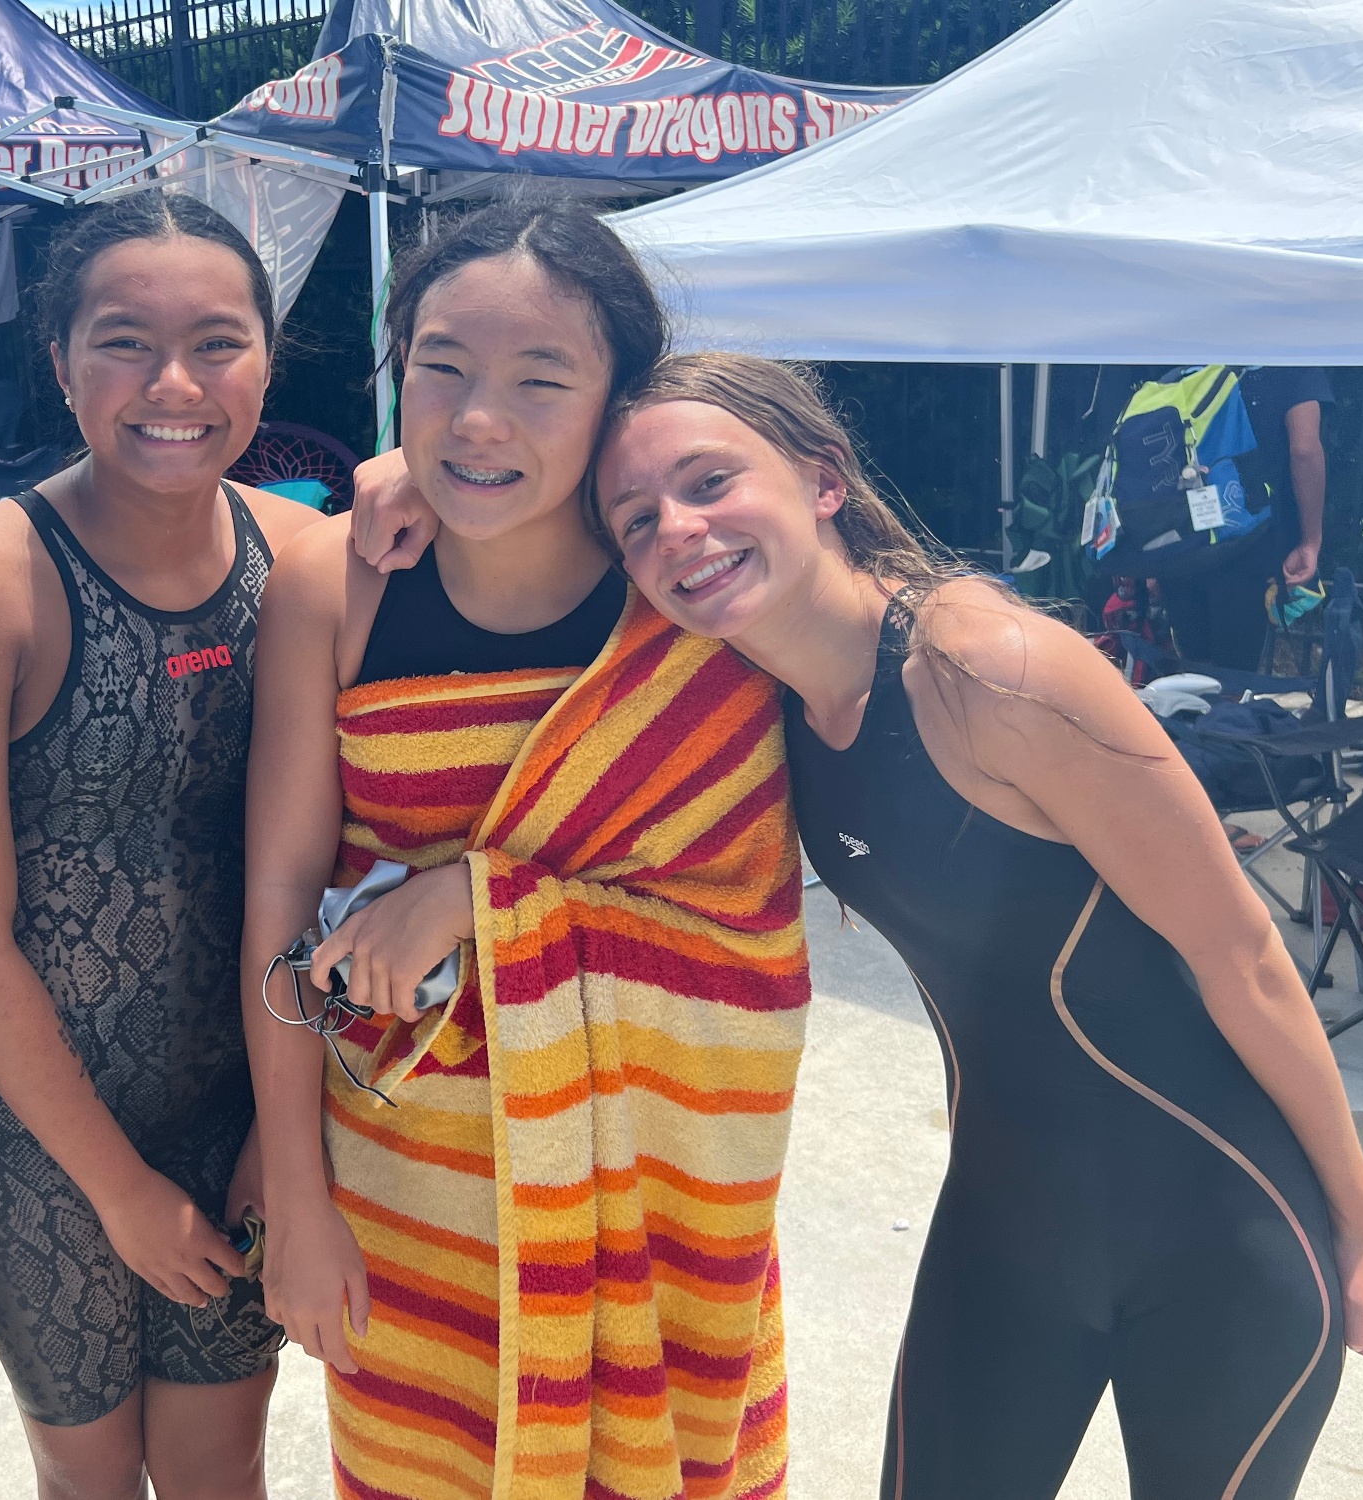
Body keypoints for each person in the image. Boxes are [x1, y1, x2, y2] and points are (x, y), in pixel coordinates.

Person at [359, 350, 1363, 1496]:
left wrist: (1361, 1215)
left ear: (822, 480)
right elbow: (533, 537)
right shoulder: (757, 700)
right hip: (1006, 1235)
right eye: (636, 519)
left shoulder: (986, 672)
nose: (677, 531)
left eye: (709, 482)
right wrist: (418, 474)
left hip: (1225, 1237)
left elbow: (1238, 951)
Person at [242, 205, 809, 1500]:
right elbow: (278, 896)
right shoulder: (335, 588)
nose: (478, 419)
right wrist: (298, 1201)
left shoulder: (691, 596)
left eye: (540, 380)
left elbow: (742, 936)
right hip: (403, 1192)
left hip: (656, 1214)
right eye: (440, 366)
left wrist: (470, 903)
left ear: (617, 403)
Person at [0, 193, 322, 1500]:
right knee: (89, 1480)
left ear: (267, 361)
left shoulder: (307, 562)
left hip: (242, 1103)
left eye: (218, 343)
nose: (174, 384)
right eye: (124, 341)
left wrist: (287, 1137)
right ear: (60, 362)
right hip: (36, 1128)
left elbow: (327, 876)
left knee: (222, 1466)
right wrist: (119, 1190)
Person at [1161, 367, 1333, 671]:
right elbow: (1304, 450)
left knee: (1191, 673)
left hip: (1181, 542)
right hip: (1252, 542)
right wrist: (1311, 540)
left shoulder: (1184, 363)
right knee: (1234, 679)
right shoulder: (1293, 363)